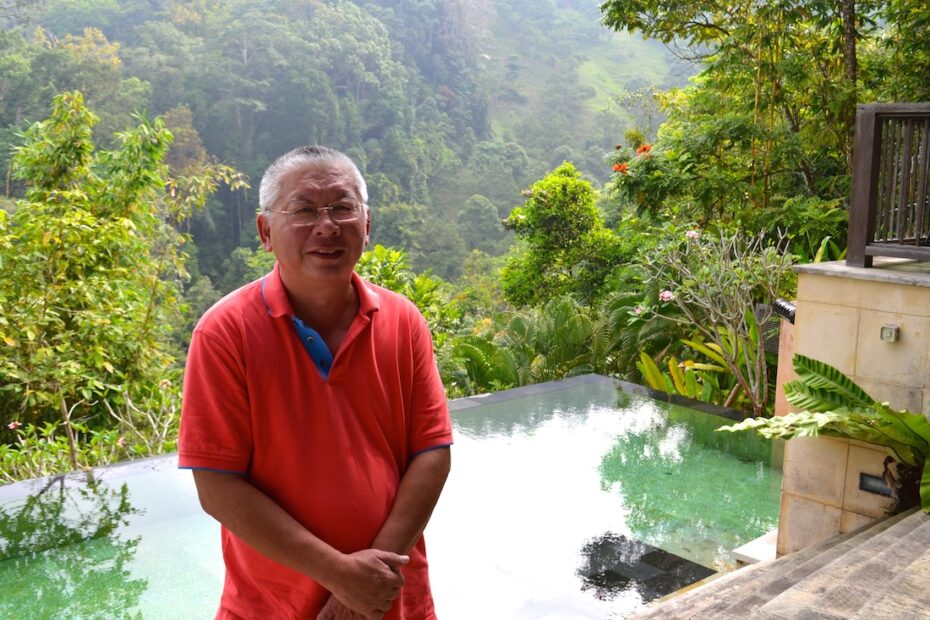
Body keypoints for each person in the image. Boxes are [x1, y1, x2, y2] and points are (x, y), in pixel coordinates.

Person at [178, 146, 453, 620]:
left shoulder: (403, 320)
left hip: (391, 599)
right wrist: (338, 574)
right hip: (272, 606)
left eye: (343, 208)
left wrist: (364, 584)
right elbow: (217, 484)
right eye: (303, 210)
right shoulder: (225, 333)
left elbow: (431, 452)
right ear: (266, 231)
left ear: (367, 223)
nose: (327, 226)